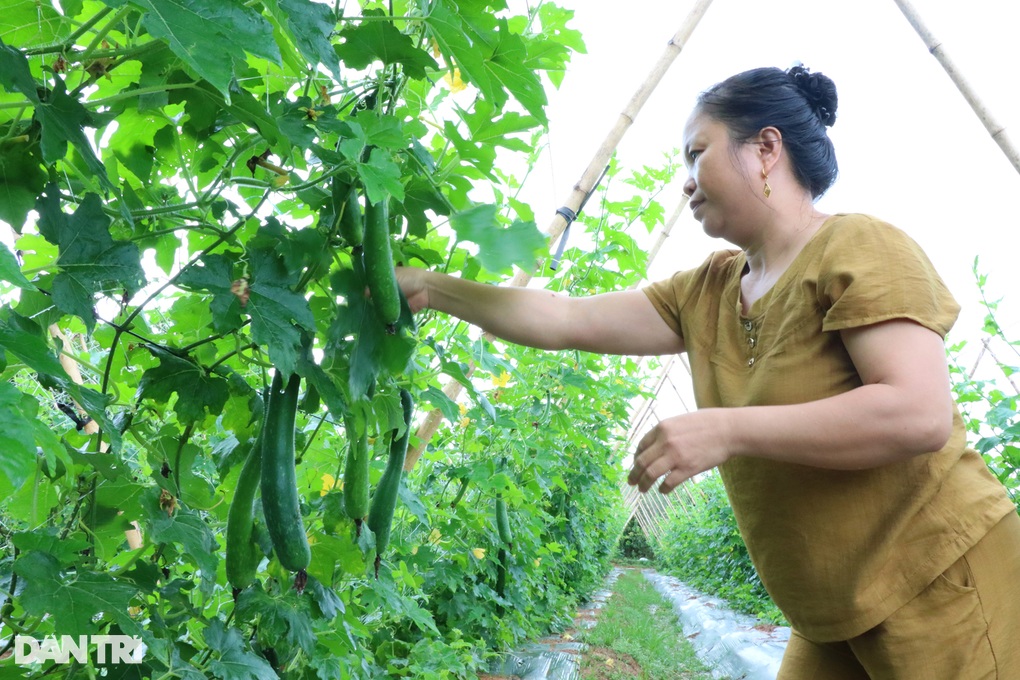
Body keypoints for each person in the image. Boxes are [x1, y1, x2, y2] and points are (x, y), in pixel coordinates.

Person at [395, 65, 1020, 678]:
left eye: (697, 154)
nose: (686, 182)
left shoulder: (859, 246)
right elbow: (566, 320)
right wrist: (432, 287)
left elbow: (917, 413)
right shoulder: (706, 291)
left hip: (940, 581)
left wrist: (727, 429)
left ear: (766, 149)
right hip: (830, 610)